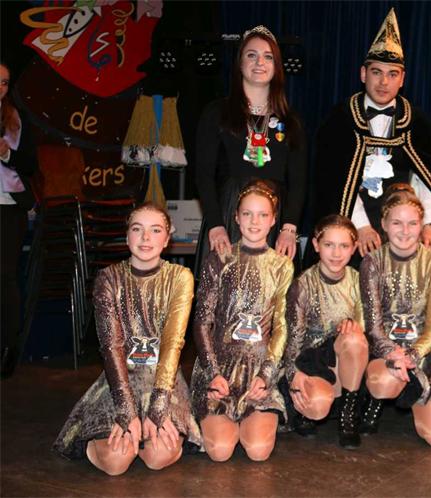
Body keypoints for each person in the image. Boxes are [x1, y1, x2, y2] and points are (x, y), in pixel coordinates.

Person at [53, 203, 201, 475]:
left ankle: (148, 439)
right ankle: (98, 442)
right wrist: (126, 410)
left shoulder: (181, 277)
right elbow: (111, 346)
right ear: (127, 235)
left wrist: (159, 405)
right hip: (120, 377)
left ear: (167, 239)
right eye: (137, 229)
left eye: (155, 230)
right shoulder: (108, 278)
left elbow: (173, 343)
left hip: (163, 380)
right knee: (116, 463)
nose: (146, 238)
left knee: (157, 458)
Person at [309, 8, 431, 264]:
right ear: (363, 74)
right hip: (352, 230)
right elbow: (333, 183)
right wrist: (359, 226)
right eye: (376, 72)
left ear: (402, 79)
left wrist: (430, 223)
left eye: (392, 74)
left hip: (404, 230)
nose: (384, 82)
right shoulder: (339, 120)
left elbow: (426, 178)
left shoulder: (417, 121)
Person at [190, 180, 293, 462]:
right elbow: (202, 322)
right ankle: (221, 421)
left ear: (273, 220)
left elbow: (282, 326)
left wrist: (267, 375)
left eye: (262, 214)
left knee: (258, 451)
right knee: (220, 451)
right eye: (247, 214)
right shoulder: (219, 259)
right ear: (236, 217)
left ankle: (254, 418)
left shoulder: (282, 265)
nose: (254, 221)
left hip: (259, 370)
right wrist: (213, 373)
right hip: (220, 369)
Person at [195, 25, 306, 266]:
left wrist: (289, 227)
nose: (259, 62)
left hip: (275, 221)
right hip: (228, 217)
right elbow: (203, 175)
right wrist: (215, 224)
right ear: (239, 63)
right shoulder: (216, 113)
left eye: (268, 57)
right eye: (251, 55)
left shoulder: (290, 120)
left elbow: (299, 181)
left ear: (277, 66)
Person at [359, 183, 431, 448]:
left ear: (422, 225)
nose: (405, 231)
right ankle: (375, 397)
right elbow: (373, 324)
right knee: (382, 383)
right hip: (384, 348)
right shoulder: (372, 261)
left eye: (412, 223)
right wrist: (393, 353)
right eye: (397, 223)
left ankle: (419, 388)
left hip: (424, 350)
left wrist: (412, 355)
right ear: (383, 224)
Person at [283, 214, 369, 449]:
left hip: (346, 362)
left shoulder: (358, 281)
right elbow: (292, 338)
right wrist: (294, 375)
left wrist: (353, 325)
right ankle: (310, 405)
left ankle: (348, 415)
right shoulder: (303, 285)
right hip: (311, 361)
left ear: (354, 248)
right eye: (329, 245)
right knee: (317, 407)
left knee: (354, 338)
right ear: (315, 245)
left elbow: (365, 324)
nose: (336, 253)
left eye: (344, 246)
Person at [0, 61, 37, 377]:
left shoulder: (16, 119)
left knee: (5, 276)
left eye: (4, 83)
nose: (0, 88)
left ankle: (8, 348)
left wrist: (7, 154)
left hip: (9, 207)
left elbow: (30, 165)